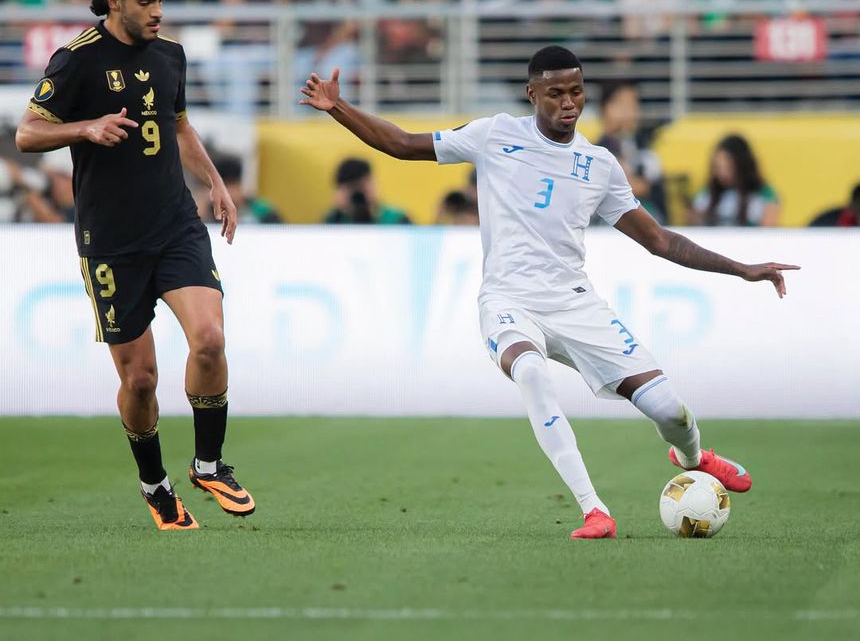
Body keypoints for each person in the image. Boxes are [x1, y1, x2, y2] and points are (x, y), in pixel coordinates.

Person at [300, 47, 799, 540]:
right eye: (556, 93)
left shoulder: (599, 164)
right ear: (532, 93)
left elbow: (660, 240)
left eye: (577, 92)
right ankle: (594, 511)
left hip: (575, 303)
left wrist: (742, 269)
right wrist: (338, 108)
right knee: (531, 372)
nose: (569, 103)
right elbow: (404, 144)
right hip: (508, 301)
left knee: (670, 410)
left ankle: (695, 459)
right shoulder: (495, 134)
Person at [15, 0, 255, 530]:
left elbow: (177, 126)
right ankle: (155, 484)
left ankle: (209, 462)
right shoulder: (75, 61)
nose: (158, 13)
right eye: (147, 3)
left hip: (174, 224)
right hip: (111, 240)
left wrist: (216, 184)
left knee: (210, 339)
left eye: (162, 1)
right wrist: (84, 128)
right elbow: (27, 133)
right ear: (114, 1)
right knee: (140, 378)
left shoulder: (171, 56)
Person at [597, 81, 667, 223]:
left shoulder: (645, 149)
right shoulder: (595, 152)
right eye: (623, 105)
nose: (631, 112)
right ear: (605, 108)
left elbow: (648, 190)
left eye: (634, 105)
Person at [687, 134, 780, 227]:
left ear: (743, 165)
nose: (723, 173)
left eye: (729, 167)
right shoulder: (707, 194)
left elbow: (768, 230)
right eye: (718, 167)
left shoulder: (763, 194)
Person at [323, 158, 411, 224]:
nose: (358, 193)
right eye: (350, 187)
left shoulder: (397, 219)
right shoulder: (334, 221)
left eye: (362, 185)